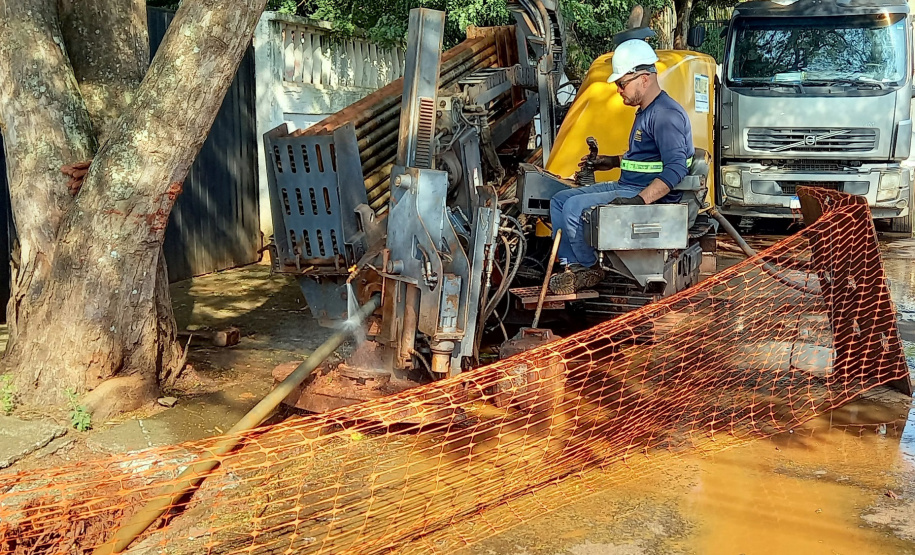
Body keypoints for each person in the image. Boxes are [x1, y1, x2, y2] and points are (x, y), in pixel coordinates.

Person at [549, 39, 694, 294]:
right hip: (629, 185)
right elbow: (646, 158)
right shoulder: (646, 111)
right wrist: (611, 161)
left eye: (622, 84)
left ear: (645, 78)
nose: (619, 90)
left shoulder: (665, 115)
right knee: (559, 200)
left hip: (641, 192)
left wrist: (639, 201)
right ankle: (573, 268)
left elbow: (675, 169)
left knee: (573, 207)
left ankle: (590, 268)